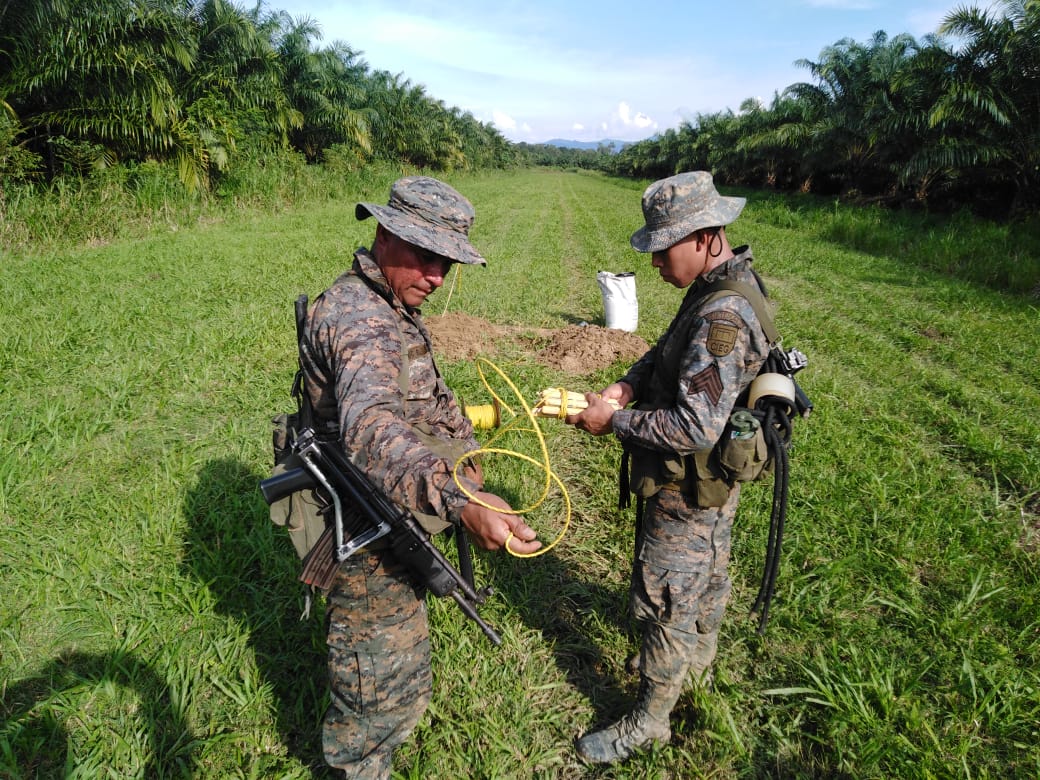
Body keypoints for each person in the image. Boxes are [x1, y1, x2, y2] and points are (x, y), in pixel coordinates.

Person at [299, 175, 541, 778]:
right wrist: (461, 498)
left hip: (390, 502)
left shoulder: (391, 302)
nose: (436, 276)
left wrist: (461, 447)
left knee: (396, 682)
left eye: (447, 263)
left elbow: (415, 398)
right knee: (375, 694)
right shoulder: (361, 318)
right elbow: (371, 427)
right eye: (425, 257)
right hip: (360, 523)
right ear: (384, 234)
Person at [565, 171, 773, 763]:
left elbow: (693, 426)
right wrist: (628, 383)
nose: (655, 261)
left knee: (666, 598)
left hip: (690, 484)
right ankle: (694, 667)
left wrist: (614, 423)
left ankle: (650, 720)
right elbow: (666, 350)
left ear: (706, 236)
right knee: (706, 580)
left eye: (664, 247)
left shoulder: (722, 317)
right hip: (714, 483)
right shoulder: (721, 285)